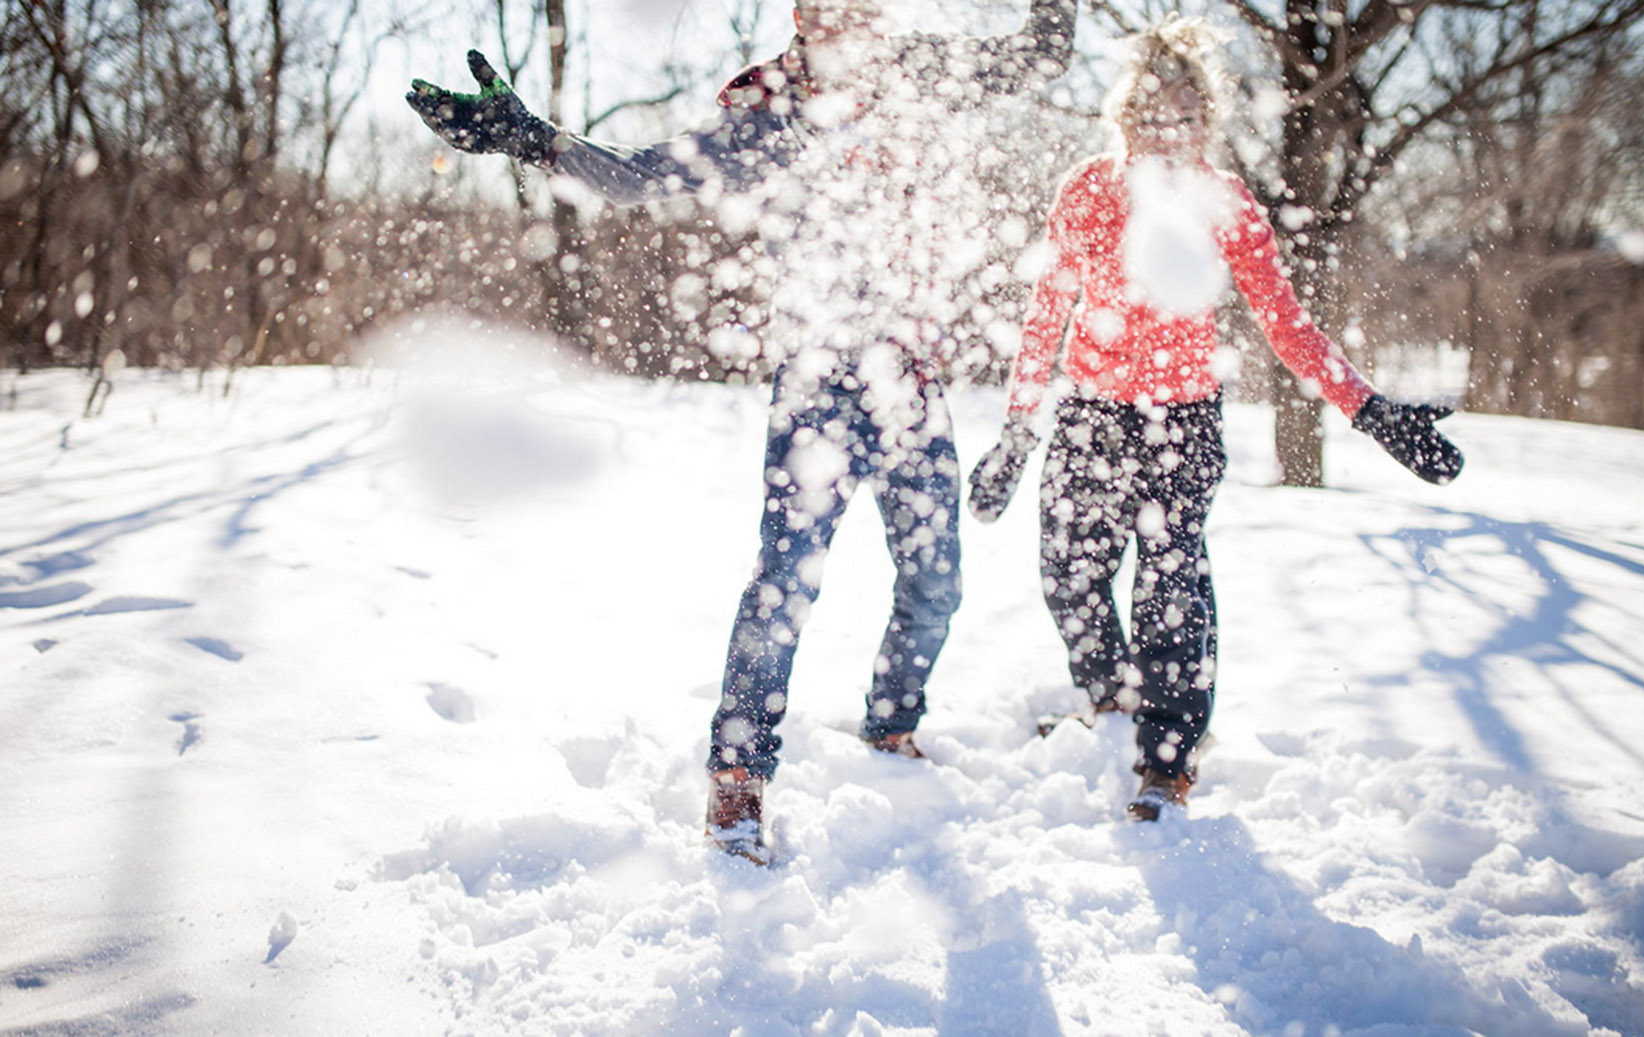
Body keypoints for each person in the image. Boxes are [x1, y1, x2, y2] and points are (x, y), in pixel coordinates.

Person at [407, 0, 1079, 863]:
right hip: (815, 384)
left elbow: (1043, 54)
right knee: (784, 582)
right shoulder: (768, 119)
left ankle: (892, 722)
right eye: (832, 21)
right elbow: (636, 175)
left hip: (911, 383)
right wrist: (530, 137)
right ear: (805, 26)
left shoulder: (918, 77)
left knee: (937, 582)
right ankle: (739, 773)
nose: (851, 36)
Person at [966, 18, 1463, 822]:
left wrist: (1366, 407)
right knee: (1069, 576)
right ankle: (1116, 702)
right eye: (1152, 115)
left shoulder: (1226, 201)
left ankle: (1167, 757)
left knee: (1171, 585)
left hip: (1183, 422)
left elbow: (1286, 324)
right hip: (1092, 415)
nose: (1168, 131)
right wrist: (1019, 431)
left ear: (1208, 125)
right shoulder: (1088, 191)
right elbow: (1045, 312)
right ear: (1123, 117)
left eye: (1186, 117)